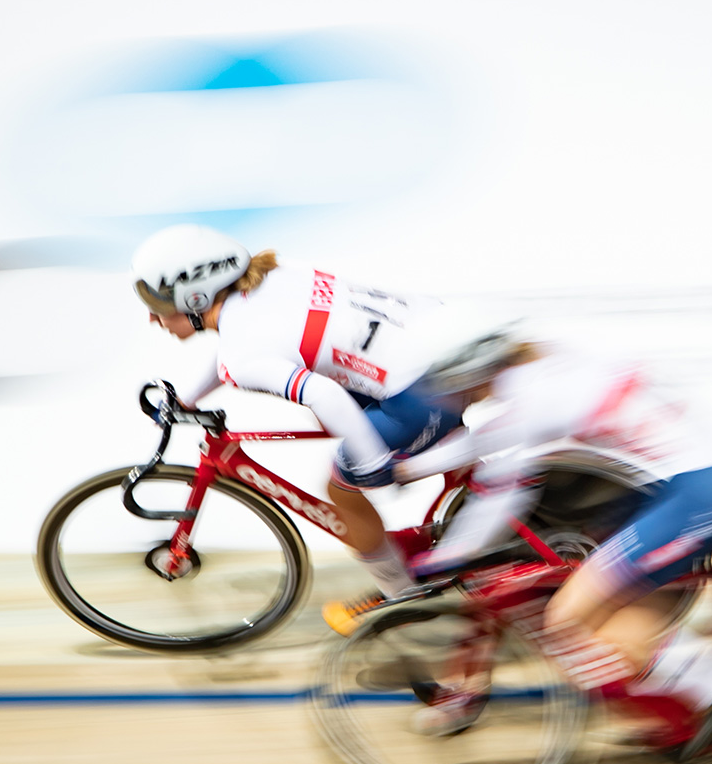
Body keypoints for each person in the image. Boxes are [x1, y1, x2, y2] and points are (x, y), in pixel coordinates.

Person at [390, 329, 712, 738]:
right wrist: (407, 470)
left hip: (690, 491)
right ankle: (705, 701)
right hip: (690, 480)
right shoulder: (548, 369)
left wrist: (443, 557)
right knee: (609, 621)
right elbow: (488, 441)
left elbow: (500, 490)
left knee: (565, 617)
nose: (466, 401)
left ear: (479, 376)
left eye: (465, 391)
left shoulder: (526, 396)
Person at [132, 224, 466, 627]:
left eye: (158, 303)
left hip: (423, 388)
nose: (153, 319)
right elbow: (240, 347)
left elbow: (322, 394)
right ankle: (471, 485)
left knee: (341, 484)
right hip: (450, 338)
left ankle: (403, 596)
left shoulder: (242, 354)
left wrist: (374, 462)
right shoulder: (275, 275)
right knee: (350, 413)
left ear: (196, 296)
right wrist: (186, 399)